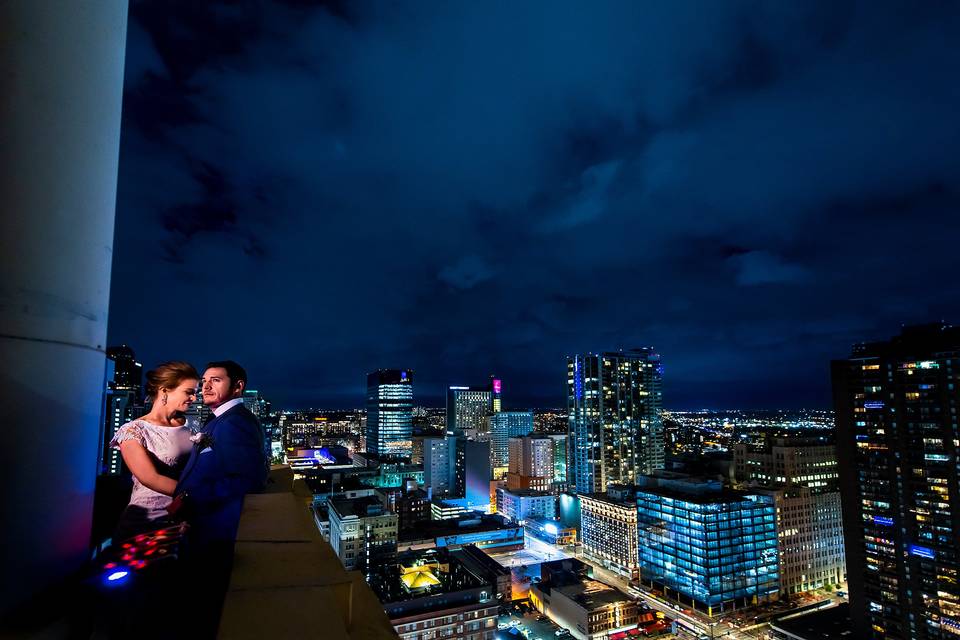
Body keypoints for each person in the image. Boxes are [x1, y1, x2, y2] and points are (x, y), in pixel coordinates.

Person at [172, 360, 267, 637]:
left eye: (216, 380)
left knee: (207, 614)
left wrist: (192, 497)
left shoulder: (236, 422)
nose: (206, 386)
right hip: (206, 528)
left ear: (238, 386)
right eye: (204, 380)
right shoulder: (220, 420)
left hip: (218, 532)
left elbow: (248, 478)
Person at [110, 361, 199, 541]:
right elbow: (150, 478)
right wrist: (198, 495)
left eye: (195, 393)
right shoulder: (133, 430)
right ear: (165, 390)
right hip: (146, 523)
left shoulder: (192, 426)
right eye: (189, 392)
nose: (195, 399)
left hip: (184, 521)